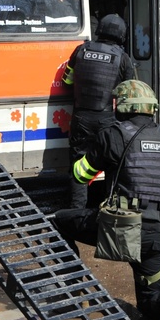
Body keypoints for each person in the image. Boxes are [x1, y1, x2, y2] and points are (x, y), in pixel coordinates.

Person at [52, 80, 160, 320]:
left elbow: (81, 174)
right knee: (149, 302)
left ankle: (75, 288)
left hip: (119, 231)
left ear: (121, 106)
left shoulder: (113, 135)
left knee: (58, 222)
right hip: (155, 234)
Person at [62, 13, 135, 208]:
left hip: (81, 118)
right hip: (107, 121)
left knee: (79, 166)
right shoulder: (123, 59)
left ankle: (76, 215)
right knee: (112, 164)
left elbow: (66, 81)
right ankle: (108, 210)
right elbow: (131, 93)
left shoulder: (81, 50)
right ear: (121, 35)